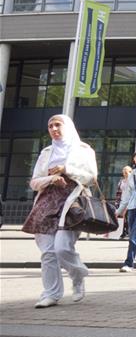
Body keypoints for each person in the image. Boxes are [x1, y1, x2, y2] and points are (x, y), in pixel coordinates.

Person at [23, 114, 97, 308]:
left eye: (58, 125)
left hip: (72, 203)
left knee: (62, 247)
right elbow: (34, 182)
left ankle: (78, 274)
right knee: (47, 252)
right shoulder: (46, 152)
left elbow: (91, 176)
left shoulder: (84, 150)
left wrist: (66, 169)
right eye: (50, 126)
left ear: (68, 127)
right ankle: (51, 293)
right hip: (46, 203)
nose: (54, 129)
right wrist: (51, 179)